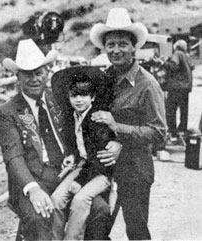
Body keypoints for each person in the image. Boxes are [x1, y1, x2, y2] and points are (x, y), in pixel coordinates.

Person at [0, 39, 121, 241]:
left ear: (47, 71)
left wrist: (117, 142)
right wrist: (33, 188)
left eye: (39, 73)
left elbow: (90, 125)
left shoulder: (61, 98)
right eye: (27, 75)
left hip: (72, 171)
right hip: (36, 178)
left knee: (100, 208)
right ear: (17, 76)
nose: (35, 79)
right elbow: (13, 157)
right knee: (39, 216)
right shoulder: (8, 111)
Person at [90, 8, 167, 240]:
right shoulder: (104, 79)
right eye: (110, 45)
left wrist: (117, 127)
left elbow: (159, 133)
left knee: (136, 230)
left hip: (135, 169)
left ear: (134, 47)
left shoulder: (147, 84)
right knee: (99, 227)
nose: (116, 50)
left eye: (122, 44)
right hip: (105, 167)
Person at [50, 66, 117, 240]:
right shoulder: (73, 116)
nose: (79, 100)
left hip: (101, 171)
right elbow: (75, 143)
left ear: (92, 97)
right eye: (74, 96)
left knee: (80, 200)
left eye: (84, 95)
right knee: (57, 199)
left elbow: (98, 157)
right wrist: (71, 154)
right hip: (84, 165)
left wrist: (80, 180)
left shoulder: (96, 119)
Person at [162, 39, 193, 140]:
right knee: (184, 110)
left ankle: (173, 132)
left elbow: (174, 66)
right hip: (186, 86)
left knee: (170, 109)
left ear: (176, 46)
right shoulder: (186, 55)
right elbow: (191, 66)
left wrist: (163, 62)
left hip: (176, 87)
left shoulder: (177, 53)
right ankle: (182, 130)